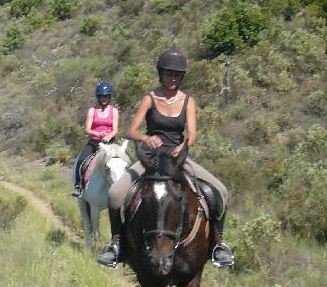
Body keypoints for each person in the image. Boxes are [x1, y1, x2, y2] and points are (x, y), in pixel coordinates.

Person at [97, 48, 234, 269]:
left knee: (221, 191)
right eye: (169, 73)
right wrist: (146, 137)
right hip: (150, 159)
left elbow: (193, 133)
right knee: (114, 195)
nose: (173, 78)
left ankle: (218, 245)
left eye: (177, 75)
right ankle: (117, 244)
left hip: (177, 159)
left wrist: (184, 144)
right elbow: (130, 131)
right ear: (161, 73)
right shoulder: (149, 98)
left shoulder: (188, 101)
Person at [72, 82, 119, 197]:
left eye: (106, 96)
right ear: (98, 97)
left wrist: (109, 136)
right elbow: (87, 130)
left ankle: (129, 185)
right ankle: (78, 186)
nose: (104, 99)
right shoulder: (92, 111)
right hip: (94, 143)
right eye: (102, 96)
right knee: (81, 160)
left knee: (125, 159)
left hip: (110, 143)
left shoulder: (114, 111)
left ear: (109, 97)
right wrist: (97, 133)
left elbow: (115, 129)